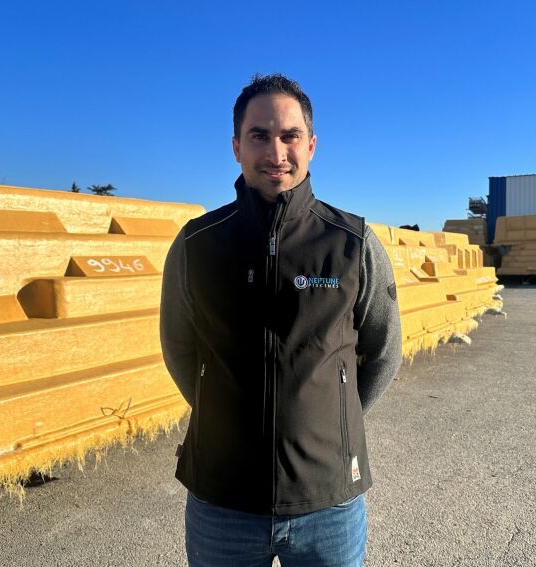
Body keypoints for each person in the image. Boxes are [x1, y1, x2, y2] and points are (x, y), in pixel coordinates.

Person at [160, 73, 402, 566]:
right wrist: (225, 414)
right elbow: (180, 348)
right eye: (259, 136)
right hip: (222, 502)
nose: (276, 153)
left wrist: (332, 423)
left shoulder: (351, 244)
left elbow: (382, 350)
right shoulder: (197, 245)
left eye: (289, 136)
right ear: (235, 147)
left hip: (328, 505)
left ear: (311, 145)